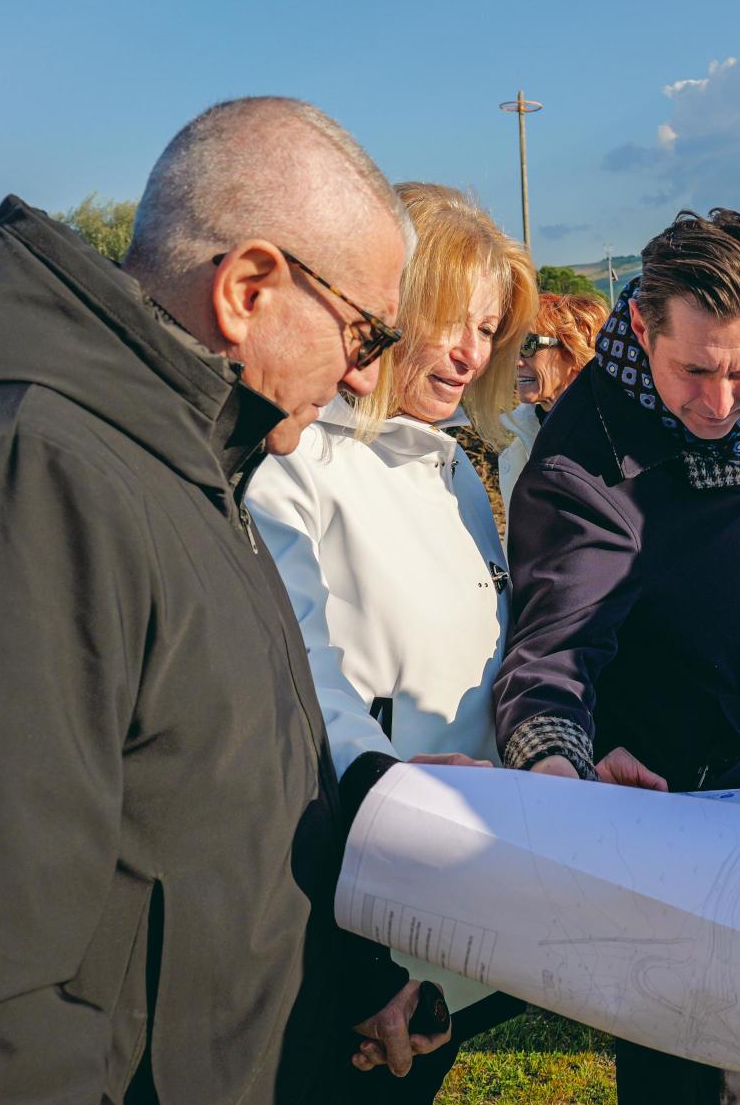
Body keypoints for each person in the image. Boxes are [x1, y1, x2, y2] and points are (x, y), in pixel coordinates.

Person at [0, 97, 447, 1103]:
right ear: (249, 289)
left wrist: (348, 975)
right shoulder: (35, 470)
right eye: (364, 334)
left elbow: (224, 791)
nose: (366, 379)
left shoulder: (192, 455)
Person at [492, 208, 740, 1104]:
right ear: (637, 328)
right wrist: (556, 765)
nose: (723, 401)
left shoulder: (738, 405)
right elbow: (551, 655)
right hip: (664, 806)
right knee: (687, 1065)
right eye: (695, 370)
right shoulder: (580, 474)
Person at [246, 182, 542, 1095]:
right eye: (448, 319)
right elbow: (304, 680)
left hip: (451, 897)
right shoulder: (296, 460)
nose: (469, 352)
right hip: (353, 900)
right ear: (383, 309)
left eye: (488, 328)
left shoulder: (450, 460)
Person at [497, 290, 609, 521]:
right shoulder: (522, 433)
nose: (516, 361)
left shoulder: (612, 443)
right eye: (512, 346)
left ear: (574, 351)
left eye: (528, 344)